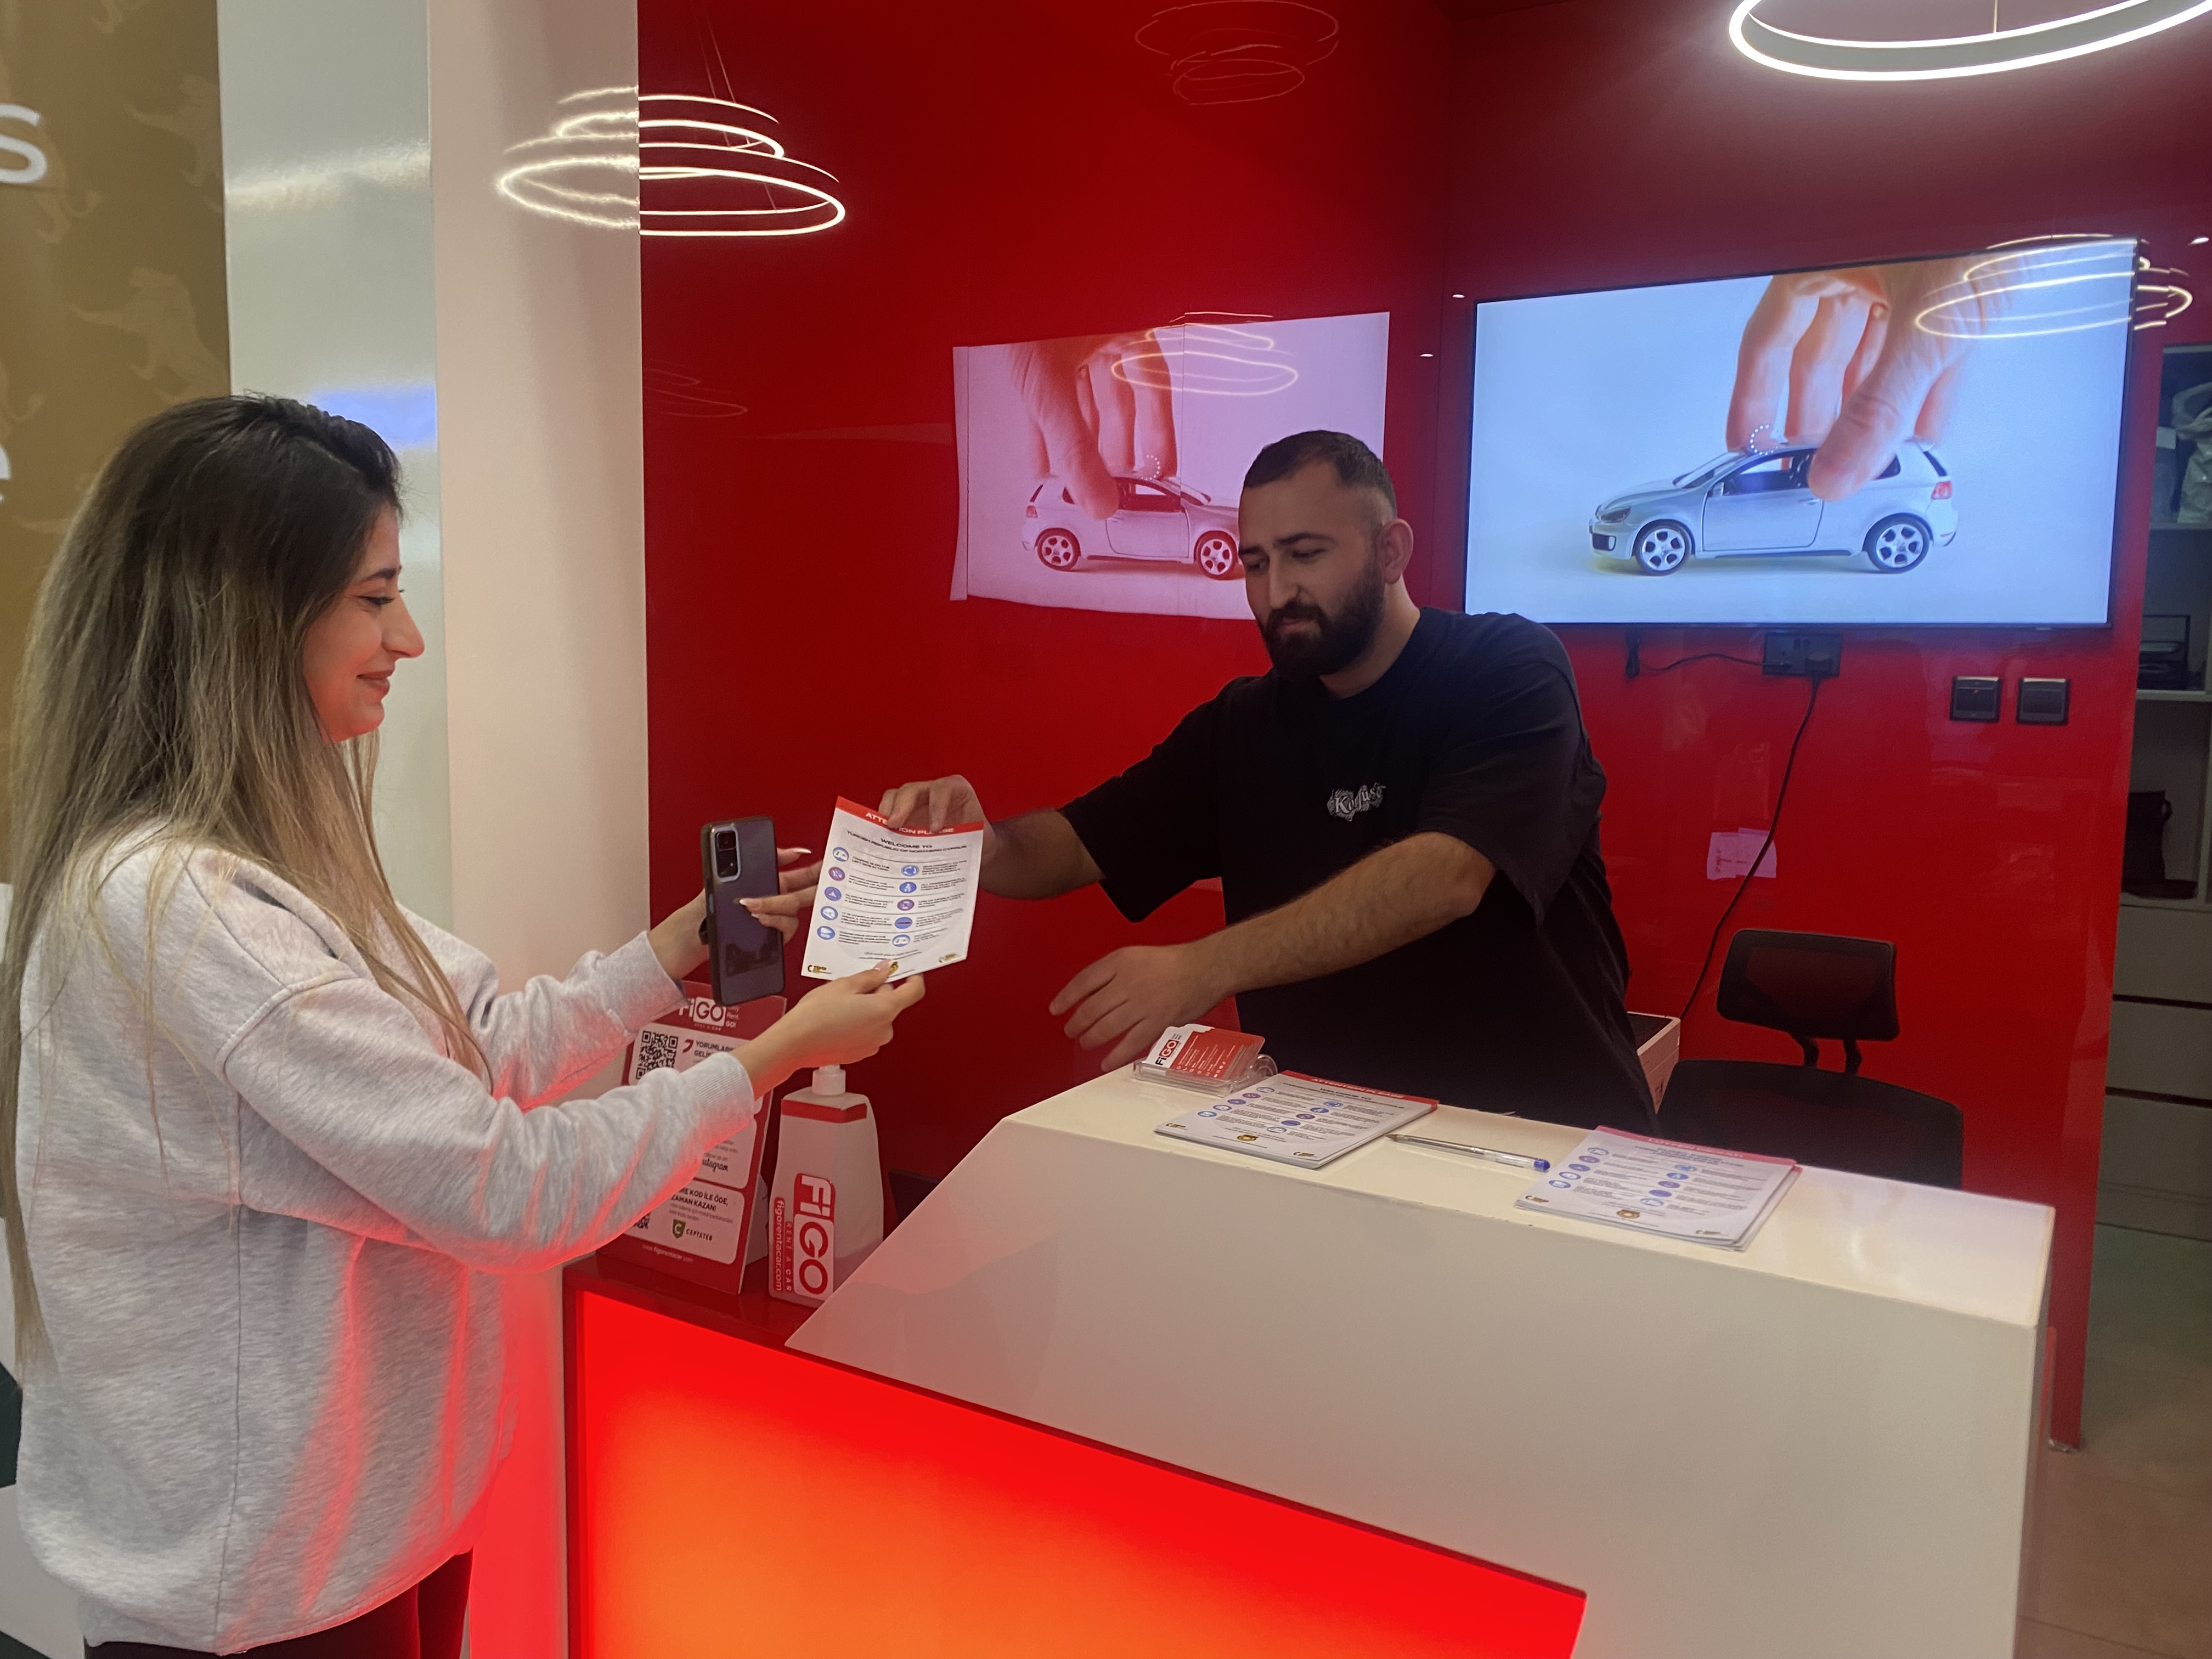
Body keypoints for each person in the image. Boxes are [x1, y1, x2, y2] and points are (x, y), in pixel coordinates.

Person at [0, 396, 924, 1657]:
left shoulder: (267, 866)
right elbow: (507, 1190)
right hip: (258, 1591)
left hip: (366, 1535)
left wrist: (674, 956)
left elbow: (467, 1048)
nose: (409, 638)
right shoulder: (183, 914)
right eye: (375, 598)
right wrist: (774, 1060)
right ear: (249, 616)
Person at [878, 430, 1651, 1129]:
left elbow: (1446, 877)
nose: (1276, 593)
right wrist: (980, 847)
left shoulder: (1507, 670)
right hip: (1319, 1143)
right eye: (1256, 563)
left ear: (1390, 551)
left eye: (1305, 555)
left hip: (1538, 1140)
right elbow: (1081, 842)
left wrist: (1204, 966)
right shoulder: (1243, 724)